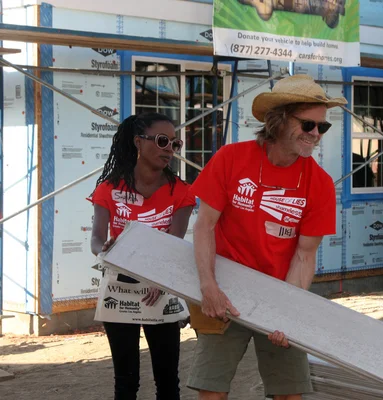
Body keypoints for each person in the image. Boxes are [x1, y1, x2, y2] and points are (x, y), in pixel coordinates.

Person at [186, 74, 346, 400]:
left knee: (289, 393)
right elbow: (204, 226)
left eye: (322, 127)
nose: (316, 135)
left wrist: (286, 312)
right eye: (308, 125)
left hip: (280, 290)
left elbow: (304, 256)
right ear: (279, 120)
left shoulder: (320, 183)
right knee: (211, 390)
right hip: (225, 290)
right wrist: (208, 286)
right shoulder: (231, 159)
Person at [89, 112, 195, 400]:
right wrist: (106, 251)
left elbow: (174, 244)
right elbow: (96, 240)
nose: (169, 149)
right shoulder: (109, 188)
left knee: (167, 382)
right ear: (138, 141)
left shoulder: (182, 192)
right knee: (125, 382)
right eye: (162, 141)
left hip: (160, 289)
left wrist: (160, 282)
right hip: (119, 287)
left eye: (175, 143)